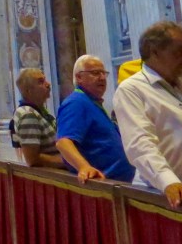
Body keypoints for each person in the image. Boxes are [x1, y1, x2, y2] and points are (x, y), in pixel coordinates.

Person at [113, 21, 182, 208]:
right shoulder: (131, 89)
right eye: (179, 52)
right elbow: (140, 144)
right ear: (154, 51)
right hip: (171, 198)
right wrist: (168, 181)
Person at [56, 55, 135, 183]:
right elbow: (63, 142)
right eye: (95, 73)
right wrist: (84, 167)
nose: (102, 78)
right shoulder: (76, 102)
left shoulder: (91, 102)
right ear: (79, 77)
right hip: (102, 183)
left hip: (117, 182)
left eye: (104, 73)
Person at [12, 68, 64, 169]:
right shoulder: (28, 114)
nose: (48, 84)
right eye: (41, 82)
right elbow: (32, 159)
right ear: (28, 91)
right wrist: (68, 161)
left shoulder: (38, 111)